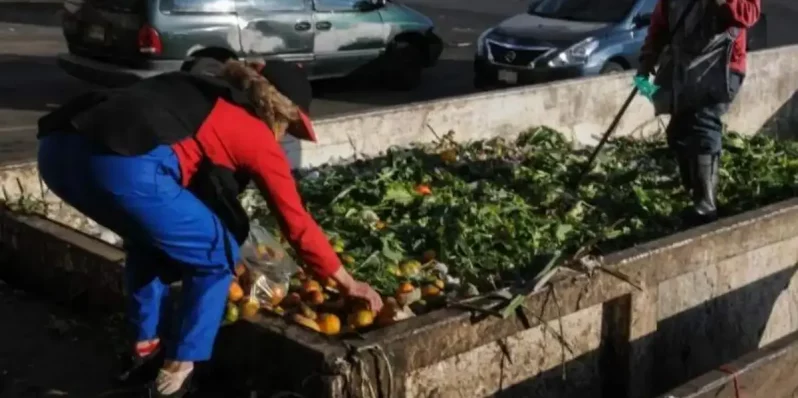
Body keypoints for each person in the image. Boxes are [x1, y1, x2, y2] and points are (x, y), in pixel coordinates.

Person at [36, 57, 384, 397]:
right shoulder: (255, 132)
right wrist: (349, 283)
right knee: (218, 256)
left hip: (57, 152)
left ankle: (143, 350)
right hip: (120, 168)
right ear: (279, 113)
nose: (283, 137)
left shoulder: (202, 90)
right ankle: (177, 375)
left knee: (149, 244)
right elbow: (297, 223)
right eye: (289, 128)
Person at [637, 0, 760, 224]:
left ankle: (706, 206)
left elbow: (750, 14)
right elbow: (661, 25)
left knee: (703, 122)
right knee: (679, 132)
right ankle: (693, 193)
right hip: (686, 68)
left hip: (722, 66)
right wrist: (647, 59)